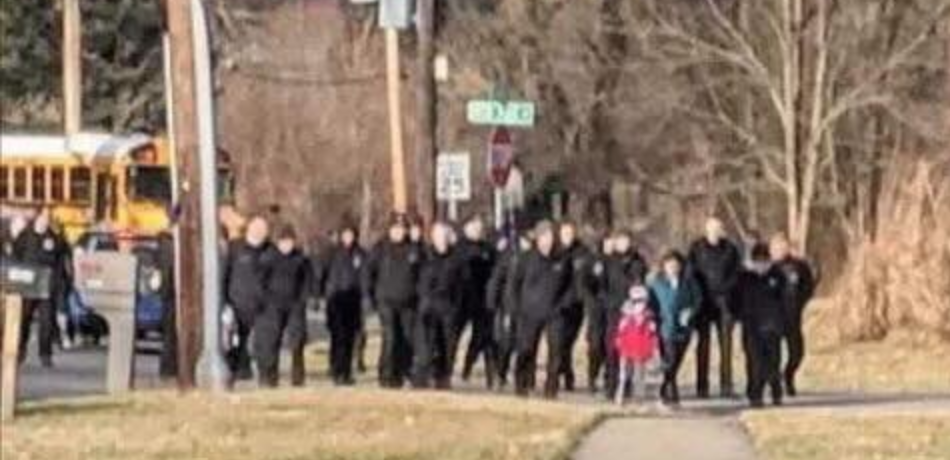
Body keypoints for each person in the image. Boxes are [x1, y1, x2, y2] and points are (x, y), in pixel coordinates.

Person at [510, 221, 572, 398]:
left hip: (555, 313)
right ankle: (522, 383)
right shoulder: (526, 258)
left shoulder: (562, 259)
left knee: (556, 351)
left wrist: (564, 304)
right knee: (526, 348)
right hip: (529, 312)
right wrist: (515, 307)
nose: (548, 241)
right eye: (544, 236)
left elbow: (571, 285)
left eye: (551, 236)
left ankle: (551, 388)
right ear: (537, 238)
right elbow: (514, 284)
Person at [363, 213, 424, 388]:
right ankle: (386, 374)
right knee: (390, 338)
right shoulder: (381, 248)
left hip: (408, 302)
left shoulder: (413, 249)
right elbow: (368, 271)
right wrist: (369, 295)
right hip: (386, 300)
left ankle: (402, 372)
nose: (399, 232)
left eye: (402, 229)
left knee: (406, 339)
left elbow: (422, 273)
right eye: (396, 229)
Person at [688, 217, 742, 398]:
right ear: (706, 230)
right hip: (703, 302)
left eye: (718, 229)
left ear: (722, 230)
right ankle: (702, 386)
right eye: (711, 229)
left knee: (726, 345)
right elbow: (690, 273)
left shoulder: (730, 249)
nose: (715, 232)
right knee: (703, 344)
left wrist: (728, 289)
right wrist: (695, 296)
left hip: (724, 302)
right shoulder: (696, 248)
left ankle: (726, 385)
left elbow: (737, 272)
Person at [254, 225, 312, 387]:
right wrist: (264, 299)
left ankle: (298, 377)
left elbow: (307, 279)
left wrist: (304, 298)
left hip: (294, 303)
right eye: (284, 242)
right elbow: (260, 280)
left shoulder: (300, 259)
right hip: (273, 304)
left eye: (290, 242)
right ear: (278, 242)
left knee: (297, 341)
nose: (287, 245)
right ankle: (270, 376)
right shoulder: (269, 258)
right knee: (272, 341)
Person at [13, 209, 70, 368]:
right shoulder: (25, 235)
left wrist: (60, 284)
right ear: (37, 219)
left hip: (46, 286)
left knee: (46, 322)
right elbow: (16, 256)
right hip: (28, 285)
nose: (45, 222)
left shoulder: (53, 237)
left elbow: (61, 257)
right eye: (43, 218)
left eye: (47, 219)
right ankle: (20, 351)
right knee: (24, 321)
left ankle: (45, 355)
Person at [415, 222, 465, 389]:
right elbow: (416, 279)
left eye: (444, 237)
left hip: (448, 307)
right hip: (428, 307)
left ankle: (443, 377)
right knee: (427, 345)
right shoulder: (425, 256)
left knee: (448, 345)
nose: (441, 241)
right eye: (438, 237)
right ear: (433, 238)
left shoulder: (456, 259)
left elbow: (462, 284)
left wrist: (457, 306)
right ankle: (422, 377)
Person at [602, 230, 650, 399]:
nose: (623, 244)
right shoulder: (608, 261)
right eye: (620, 241)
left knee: (629, 349)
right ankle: (611, 383)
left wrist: (636, 304)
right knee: (612, 348)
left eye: (626, 241)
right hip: (613, 309)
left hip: (631, 310)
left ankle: (626, 384)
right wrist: (608, 301)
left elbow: (641, 283)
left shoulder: (638, 261)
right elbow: (602, 285)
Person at [223, 215, 271, 382]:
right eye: (257, 228)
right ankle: (236, 371)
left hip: (263, 307)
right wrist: (224, 302)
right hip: (238, 304)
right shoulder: (235, 248)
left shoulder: (270, 251)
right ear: (249, 228)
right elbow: (224, 275)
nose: (260, 232)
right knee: (236, 342)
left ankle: (264, 375)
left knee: (262, 343)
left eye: (263, 229)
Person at [317, 224, 366, 386]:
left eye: (351, 235)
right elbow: (321, 273)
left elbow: (365, 276)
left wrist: (365, 295)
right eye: (345, 234)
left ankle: (346, 371)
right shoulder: (332, 253)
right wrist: (319, 294)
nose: (348, 238)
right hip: (335, 299)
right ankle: (336, 368)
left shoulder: (360, 254)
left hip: (353, 300)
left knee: (351, 338)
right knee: (338, 337)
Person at [649, 251, 701, 406]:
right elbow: (650, 303)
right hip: (665, 328)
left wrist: (690, 312)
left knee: (676, 361)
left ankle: (665, 388)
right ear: (664, 266)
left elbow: (697, 299)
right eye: (669, 265)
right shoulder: (656, 283)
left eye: (676, 265)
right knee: (670, 360)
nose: (673, 268)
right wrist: (653, 319)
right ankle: (671, 393)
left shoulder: (688, 282)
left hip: (683, 328)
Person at [738, 243, 786, 408]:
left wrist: (782, 322)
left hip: (772, 325)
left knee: (773, 361)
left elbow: (785, 301)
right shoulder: (744, 278)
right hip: (751, 326)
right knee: (754, 362)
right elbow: (734, 299)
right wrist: (741, 315)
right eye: (757, 262)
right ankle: (755, 394)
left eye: (764, 262)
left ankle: (776, 392)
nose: (761, 266)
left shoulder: (777, 276)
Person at [769, 233, 816, 397]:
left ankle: (788, 376)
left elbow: (809, 286)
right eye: (776, 247)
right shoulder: (768, 267)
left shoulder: (799, 266)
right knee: (773, 354)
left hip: (793, 316)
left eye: (782, 246)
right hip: (773, 318)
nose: (779, 250)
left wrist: (801, 302)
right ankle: (775, 385)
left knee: (797, 353)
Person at [454, 215, 498, 387]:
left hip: (483, 300)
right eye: (474, 227)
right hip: (462, 300)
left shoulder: (488, 249)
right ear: (466, 228)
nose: (478, 231)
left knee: (483, 337)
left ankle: (484, 372)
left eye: (480, 228)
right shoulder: (459, 248)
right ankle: (446, 367)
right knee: (453, 335)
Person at [486, 234, 531, 388]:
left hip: (530, 309)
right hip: (510, 307)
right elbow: (498, 279)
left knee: (526, 344)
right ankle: (501, 372)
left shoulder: (536, 257)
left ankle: (524, 378)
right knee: (507, 342)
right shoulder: (511, 258)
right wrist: (493, 302)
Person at [555, 221, 593, 392]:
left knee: (568, 342)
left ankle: (565, 369)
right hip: (557, 304)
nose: (568, 236)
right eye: (565, 233)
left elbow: (590, 275)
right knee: (558, 341)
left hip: (576, 304)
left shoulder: (583, 252)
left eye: (570, 233)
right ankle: (561, 374)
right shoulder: (554, 252)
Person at [612, 285, 660, 406]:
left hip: (642, 350)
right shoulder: (626, 317)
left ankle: (639, 398)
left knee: (640, 375)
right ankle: (620, 395)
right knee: (624, 375)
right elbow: (620, 332)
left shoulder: (649, 317)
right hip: (627, 349)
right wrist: (619, 343)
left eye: (642, 300)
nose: (639, 304)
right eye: (636, 301)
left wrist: (653, 347)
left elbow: (653, 334)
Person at [586, 235, 613, 393]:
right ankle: (592, 375)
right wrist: (591, 299)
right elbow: (585, 282)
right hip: (597, 308)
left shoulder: (619, 262)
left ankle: (609, 378)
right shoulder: (595, 261)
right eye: (607, 243)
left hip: (613, 308)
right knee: (595, 345)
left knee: (611, 345)